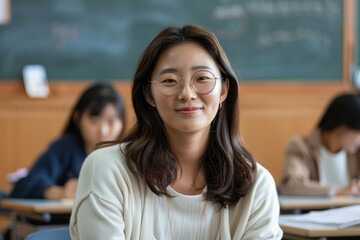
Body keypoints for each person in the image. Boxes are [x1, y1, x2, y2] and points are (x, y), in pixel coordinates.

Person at [70, 25, 282, 239]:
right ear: (148, 95)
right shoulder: (107, 170)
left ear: (223, 90)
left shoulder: (256, 186)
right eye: (170, 80)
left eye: (202, 78)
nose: (187, 94)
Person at [9, 83, 125, 199]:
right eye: (94, 121)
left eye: (111, 122)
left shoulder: (125, 153)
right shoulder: (65, 147)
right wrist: (60, 193)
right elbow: (27, 184)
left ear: (122, 123)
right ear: (77, 118)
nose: (103, 131)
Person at [280, 93, 360, 196]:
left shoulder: (357, 151)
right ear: (341, 127)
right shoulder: (300, 146)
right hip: (315, 211)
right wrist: (337, 191)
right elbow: (290, 186)